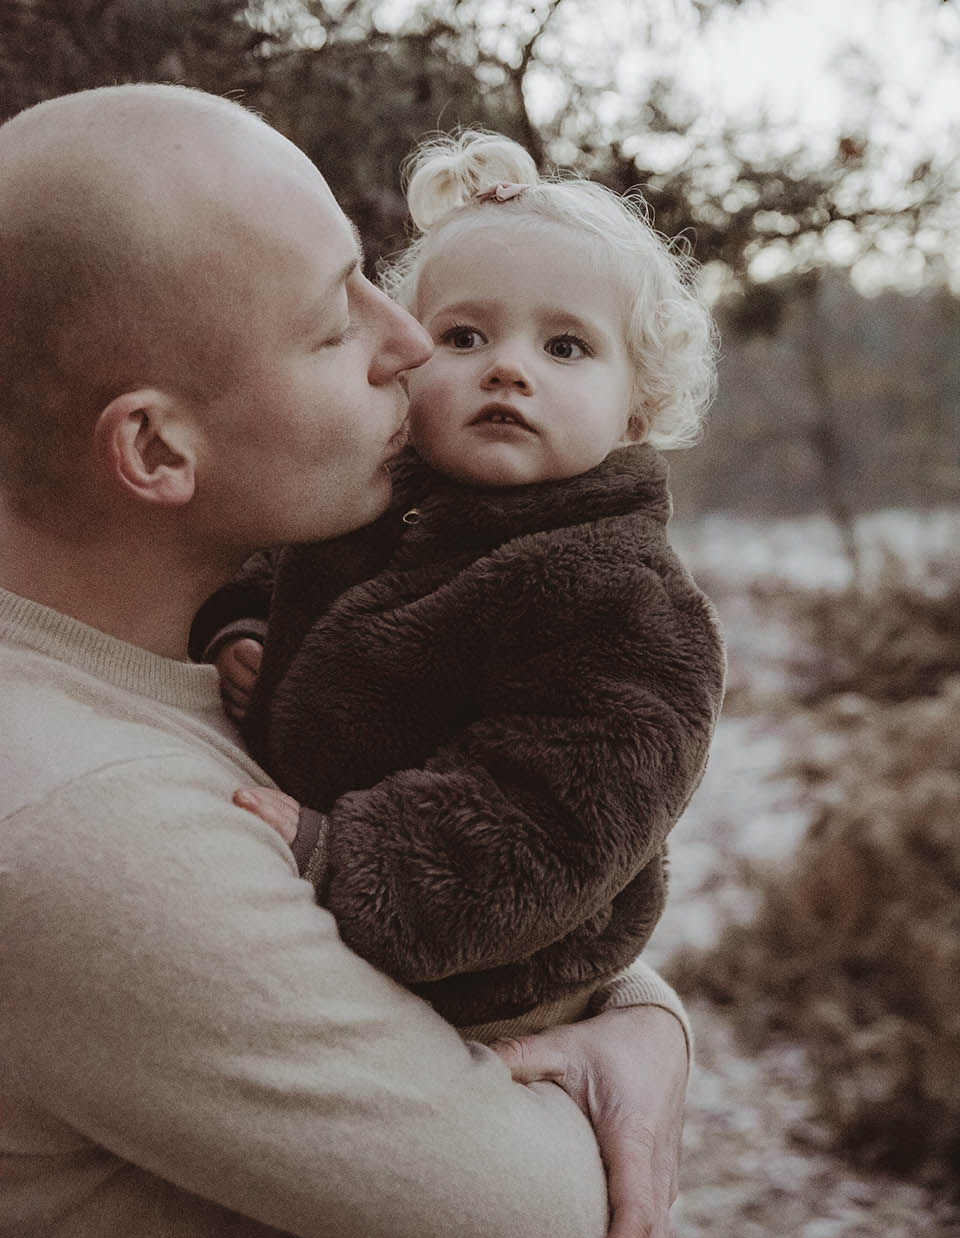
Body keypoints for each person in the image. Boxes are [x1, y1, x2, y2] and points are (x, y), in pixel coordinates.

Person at [0, 84, 692, 1238]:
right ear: (158, 445)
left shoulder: (173, 653)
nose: (413, 343)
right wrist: (632, 1036)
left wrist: (640, 1008)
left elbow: (569, 797)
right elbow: (557, 1214)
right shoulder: (92, 828)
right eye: (335, 323)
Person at [193, 131, 725, 1043]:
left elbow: (559, 819)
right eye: (465, 336)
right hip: (324, 920)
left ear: (636, 407)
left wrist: (343, 856)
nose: (507, 367)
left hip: (494, 987)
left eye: (565, 347)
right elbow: (261, 569)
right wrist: (240, 633)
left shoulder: (622, 594)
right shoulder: (366, 501)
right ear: (407, 358)